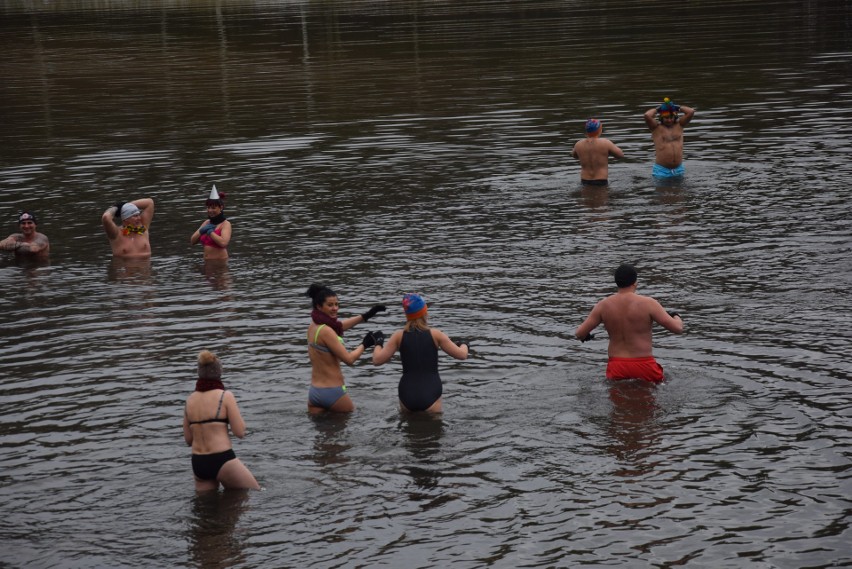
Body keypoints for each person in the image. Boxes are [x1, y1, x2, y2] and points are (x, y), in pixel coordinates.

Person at [575, 264, 683, 383]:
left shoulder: (603, 305)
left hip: (616, 366)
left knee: (619, 398)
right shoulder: (649, 303)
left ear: (616, 282)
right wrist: (676, 316)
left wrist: (585, 335)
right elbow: (677, 328)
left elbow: (579, 334)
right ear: (635, 282)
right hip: (644, 365)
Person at [372, 293, 469, 413]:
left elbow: (377, 360)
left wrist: (379, 342)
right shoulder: (436, 334)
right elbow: (462, 355)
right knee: (433, 429)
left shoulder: (398, 336)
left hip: (406, 394)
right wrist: (464, 344)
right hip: (431, 392)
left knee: (408, 428)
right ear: (425, 312)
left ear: (407, 314)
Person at [183, 350, 260, 491]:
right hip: (222, 459)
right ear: (218, 373)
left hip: (198, 463)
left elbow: (188, 440)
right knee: (257, 492)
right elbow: (240, 432)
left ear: (199, 373)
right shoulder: (225, 396)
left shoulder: (190, 400)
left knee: (207, 508)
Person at [305, 283, 386, 413]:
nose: (335, 308)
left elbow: (339, 326)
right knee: (347, 427)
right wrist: (365, 344)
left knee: (322, 432)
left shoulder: (313, 327)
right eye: (330, 305)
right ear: (319, 306)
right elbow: (349, 359)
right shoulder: (327, 331)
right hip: (333, 392)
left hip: (315, 392)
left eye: (337, 304)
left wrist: (366, 316)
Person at [644, 97, 695, 178]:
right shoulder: (656, 127)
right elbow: (647, 115)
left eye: (671, 117)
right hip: (661, 170)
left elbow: (691, 112)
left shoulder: (680, 125)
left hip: (678, 169)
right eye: (666, 118)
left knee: (680, 190)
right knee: (663, 190)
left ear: (675, 117)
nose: (669, 120)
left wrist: (676, 107)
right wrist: (658, 109)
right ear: (661, 118)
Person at [572, 118, 624, 185]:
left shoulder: (578, 144)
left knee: (586, 195)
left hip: (584, 180)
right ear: (599, 130)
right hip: (601, 180)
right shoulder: (605, 142)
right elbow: (620, 155)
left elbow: (574, 155)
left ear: (586, 131)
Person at [190, 185, 231, 261]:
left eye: (213, 208)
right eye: (208, 207)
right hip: (207, 263)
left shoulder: (225, 224)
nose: (210, 210)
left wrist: (210, 233)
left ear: (221, 208)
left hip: (220, 263)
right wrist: (201, 231)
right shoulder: (206, 222)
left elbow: (223, 243)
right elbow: (192, 241)